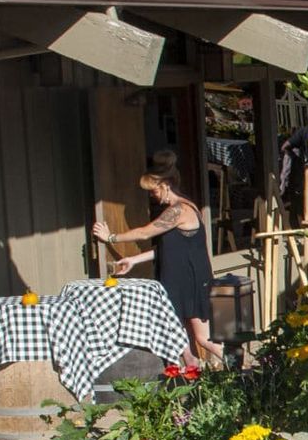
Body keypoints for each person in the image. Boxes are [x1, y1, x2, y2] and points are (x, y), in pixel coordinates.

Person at [92, 150, 223, 367]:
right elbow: (169, 248)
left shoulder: (180, 210)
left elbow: (145, 233)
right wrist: (134, 260)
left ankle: (243, 367)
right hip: (178, 279)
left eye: (153, 191)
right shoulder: (177, 209)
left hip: (190, 280)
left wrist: (111, 237)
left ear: (165, 185)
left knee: (202, 338)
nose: (152, 196)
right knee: (181, 336)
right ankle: (193, 373)